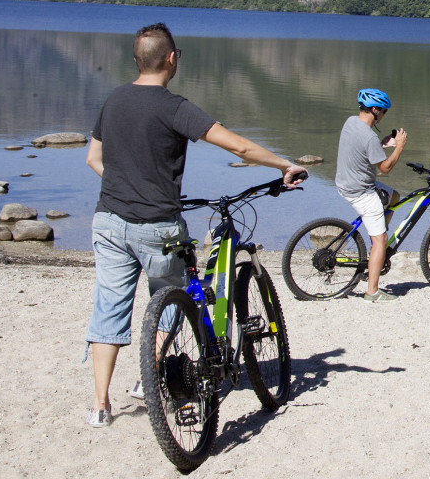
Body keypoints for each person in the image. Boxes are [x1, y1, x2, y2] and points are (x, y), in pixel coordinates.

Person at [85, 23, 308, 428]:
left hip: (109, 221)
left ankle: (100, 406)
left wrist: (126, 185)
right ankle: (148, 379)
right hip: (155, 226)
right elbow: (238, 146)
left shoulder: (114, 100)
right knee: (171, 298)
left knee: (109, 308)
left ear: (137, 60)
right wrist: (284, 164)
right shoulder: (174, 107)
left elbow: (93, 159)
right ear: (172, 58)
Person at [335, 88, 408, 302]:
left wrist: (383, 144)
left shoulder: (351, 122)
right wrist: (399, 147)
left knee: (393, 196)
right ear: (375, 110)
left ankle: (377, 232)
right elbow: (385, 168)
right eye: (383, 112)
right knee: (380, 240)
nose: (384, 116)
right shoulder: (369, 138)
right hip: (361, 191)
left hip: (345, 182)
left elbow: (360, 148)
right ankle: (372, 291)